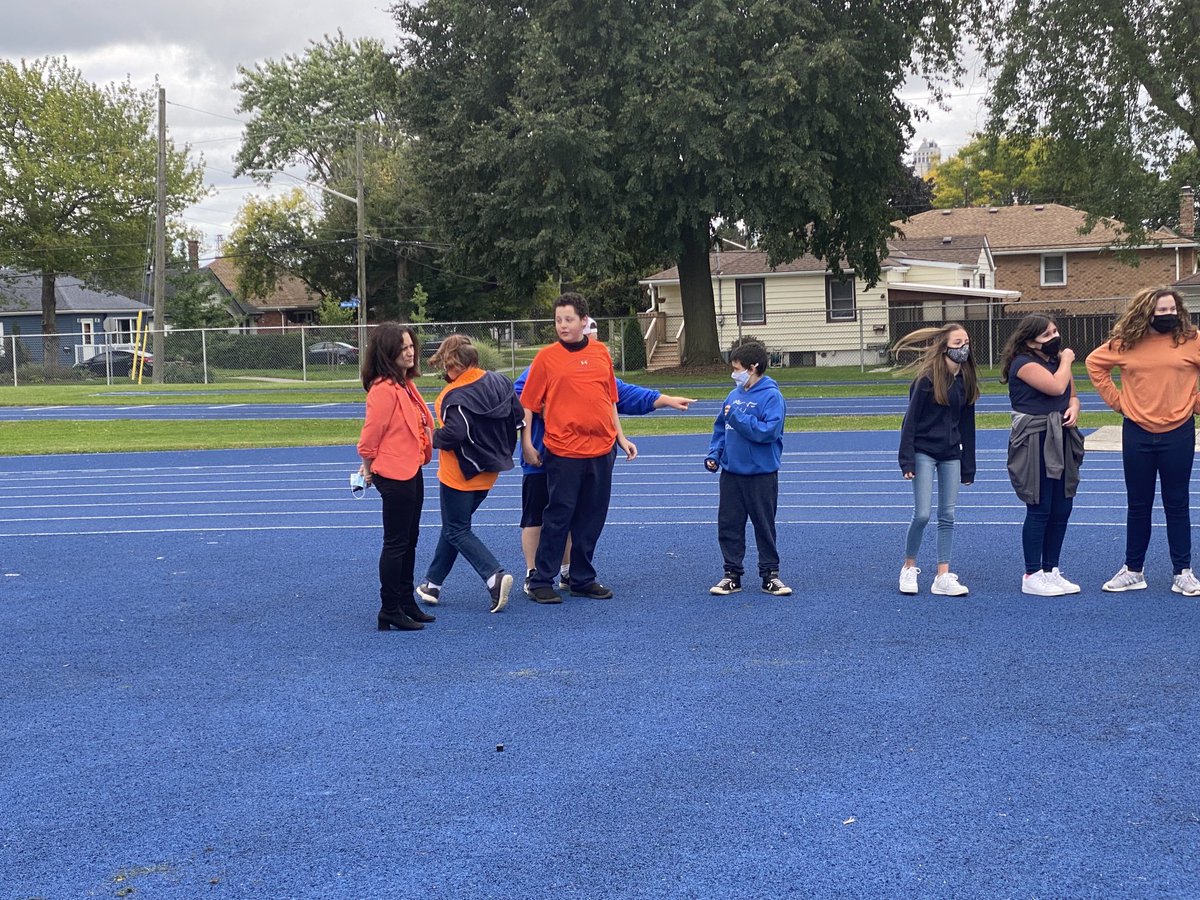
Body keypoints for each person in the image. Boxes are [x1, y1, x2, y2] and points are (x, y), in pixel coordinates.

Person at [513, 316, 696, 594]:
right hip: (546, 453)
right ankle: (534, 573)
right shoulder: (546, 362)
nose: (592, 343)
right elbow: (520, 398)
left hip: (587, 452)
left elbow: (619, 395)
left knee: (580, 516)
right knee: (540, 517)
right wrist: (536, 432)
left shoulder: (596, 360)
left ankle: (570, 573)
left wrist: (663, 401)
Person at [520, 294, 637, 603]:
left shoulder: (601, 354)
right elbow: (528, 406)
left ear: (584, 321)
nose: (563, 326)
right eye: (558, 320)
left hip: (601, 450)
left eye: (569, 319)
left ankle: (582, 578)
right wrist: (527, 444)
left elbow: (610, 400)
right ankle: (542, 580)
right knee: (558, 516)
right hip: (564, 452)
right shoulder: (545, 358)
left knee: (591, 517)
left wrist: (620, 438)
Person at [1085, 286, 1200, 595]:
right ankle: (1134, 570)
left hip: (1178, 432)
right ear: (1146, 312)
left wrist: (1195, 402)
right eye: (1161, 310)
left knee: (1177, 503)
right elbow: (1094, 364)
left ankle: (1183, 572)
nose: (1168, 315)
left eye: (1172, 309)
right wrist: (1119, 402)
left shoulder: (1192, 340)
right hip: (1137, 432)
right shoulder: (1126, 344)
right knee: (1138, 504)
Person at [415, 334, 524, 614]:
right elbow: (518, 414)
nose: (446, 373)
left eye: (447, 367)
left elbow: (454, 434)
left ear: (455, 365)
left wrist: (427, 435)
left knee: (456, 528)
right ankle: (432, 583)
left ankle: (494, 576)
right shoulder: (500, 381)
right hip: (490, 469)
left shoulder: (453, 395)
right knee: (454, 526)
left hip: (460, 473)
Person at [357, 323, 435, 631]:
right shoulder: (383, 390)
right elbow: (369, 437)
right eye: (403, 347)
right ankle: (389, 608)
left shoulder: (404, 384)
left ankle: (405, 601)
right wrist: (368, 467)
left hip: (412, 468)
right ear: (389, 353)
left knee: (410, 539)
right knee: (396, 543)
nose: (411, 351)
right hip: (394, 473)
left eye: (411, 345)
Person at [1000, 315, 1085, 596]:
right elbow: (1055, 386)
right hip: (1035, 439)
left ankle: (1052, 570)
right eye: (1047, 334)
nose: (1055, 337)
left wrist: (1074, 406)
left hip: (1060, 435)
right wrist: (1068, 360)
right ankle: (1032, 573)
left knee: (1063, 506)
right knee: (1041, 506)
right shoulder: (1023, 364)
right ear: (1029, 341)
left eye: (1055, 331)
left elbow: (1070, 393)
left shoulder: (1055, 361)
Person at [896, 323, 978, 597]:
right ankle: (909, 567)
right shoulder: (926, 381)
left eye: (966, 342)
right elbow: (909, 423)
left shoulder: (965, 382)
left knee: (948, 515)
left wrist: (968, 465)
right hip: (923, 452)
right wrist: (906, 460)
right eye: (957, 342)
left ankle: (942, 575)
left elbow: (968, 426)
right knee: (922, 513)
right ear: (945, 347)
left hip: (951, 454)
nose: (963, 347)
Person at [704, 341, 791, 597]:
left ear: (753, 367)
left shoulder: (772, 396)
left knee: (764, 525)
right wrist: (714, 455)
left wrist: (739, 419)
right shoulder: (733, 396)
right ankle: (732, 574)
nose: (734, 373)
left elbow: (768, 432)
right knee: (729, 525)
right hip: (731, 474)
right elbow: (721, 428)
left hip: (761, 474)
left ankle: (770, 575)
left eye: (737, 368)